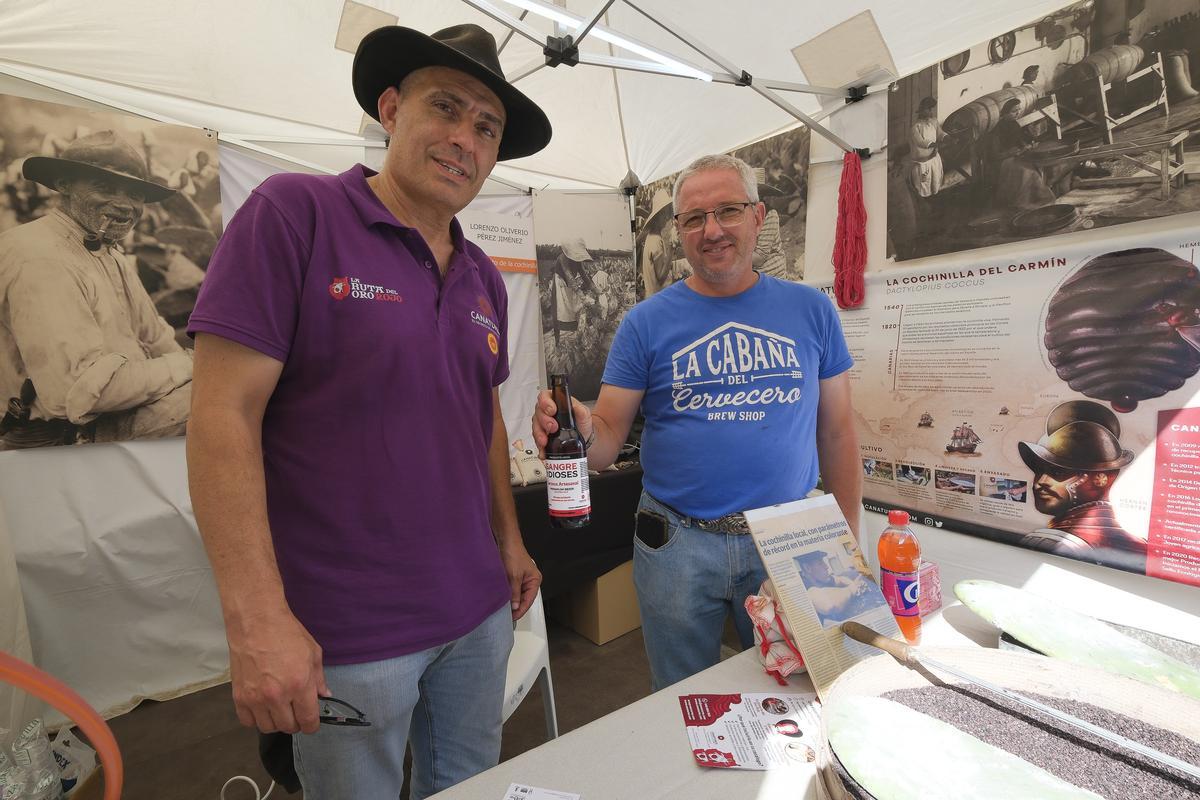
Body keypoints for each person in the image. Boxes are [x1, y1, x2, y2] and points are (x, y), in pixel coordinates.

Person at [185, 23, 549, 799]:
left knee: (469, 787)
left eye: (486, 127)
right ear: (390, 108)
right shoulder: (296, 214)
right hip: (348, 632)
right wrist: (254, 621)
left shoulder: (483, 273)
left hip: (478, 611)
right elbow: (221, 415)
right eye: (445, 108)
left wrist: (509, 541)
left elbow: (479, 413)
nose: (465, 139)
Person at [532, 153, 861, 690]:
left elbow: (838, 430)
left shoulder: (811, 310)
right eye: (693, 218)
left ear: (757, 216)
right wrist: (580, 429)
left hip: (789, 540)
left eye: (727, 211)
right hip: (677, 545)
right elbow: (607, 442)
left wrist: (846, 538)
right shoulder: (645, 323)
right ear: (680, 231)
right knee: (686, 703)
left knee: (802, 691)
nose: (712, 230)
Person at [0, 130, 192, 449]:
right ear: (64, 184)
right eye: (104, 187)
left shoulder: (106, 250)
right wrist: (186, 366)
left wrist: (189, 368)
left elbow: (156, 339)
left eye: (135, 194)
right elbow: (75, 394)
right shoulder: (41, 257)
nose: (124, 205)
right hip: (56, 440)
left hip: (114, 415)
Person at [1017, 400, 1146, 572]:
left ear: (1103, 478)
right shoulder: (1142, 545)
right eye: (1039, 470)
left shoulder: (1050, 542)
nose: (1041, 482)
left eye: (1058, 473)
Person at [793, 550, 876, 626]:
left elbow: (839, 579)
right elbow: (829, 606)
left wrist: (855, 584)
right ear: (808, 568)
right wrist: (851, 589)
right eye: (820, 563)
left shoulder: (820, 579)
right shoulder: (804, 585)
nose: (826, 567)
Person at [909, 97, 946, 198]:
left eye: (931, 109)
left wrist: (946, 137)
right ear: (921, 111)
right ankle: (923, 200)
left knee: (935, 180)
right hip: (922, 162)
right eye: (928, 109)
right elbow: (920, 142)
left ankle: (934, 196)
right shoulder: (916, 127)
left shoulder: (934, 122)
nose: (930, 111)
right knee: (924, 184)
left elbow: (940, 133)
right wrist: (935, 145)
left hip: (933, 158)